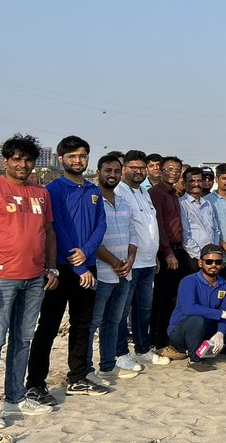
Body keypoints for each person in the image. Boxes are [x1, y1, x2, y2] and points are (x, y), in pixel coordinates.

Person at [0, 134, 58, 430]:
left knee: (23, 339)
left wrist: (52, 268)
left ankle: (15, 396)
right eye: (16, 159)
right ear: (5, 161)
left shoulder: (41, 193)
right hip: (0, 278)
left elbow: (48, 233)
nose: (22, 164)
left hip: (34, 278)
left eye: (28, 159)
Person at [26, 136, 108, 403]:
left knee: (82, 325)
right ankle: (36, 383)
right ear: (61, 159)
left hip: (88, 267)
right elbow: (56, 229)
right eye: (72, 156)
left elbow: (100, 227)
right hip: (60, 269)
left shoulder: (93, 191)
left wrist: (87, 254)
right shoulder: (53, 190)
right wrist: (79, 261)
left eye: (82, 156)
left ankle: (78, 377)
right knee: (48, 326)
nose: (78, 161)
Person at [88, 154, 142, 382]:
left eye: (116, 171)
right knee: (93, 323)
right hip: (101, 272)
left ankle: (108, 365)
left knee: (114, 320)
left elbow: (132, 234)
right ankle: (86, 371)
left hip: (124, 272)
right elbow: (90, 239)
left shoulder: (124, 203)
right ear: (99, 172)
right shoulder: (90, 201)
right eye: (107, 171)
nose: (112, 175)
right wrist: (114, 262)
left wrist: (129, 260)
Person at [115, 151, 169, 367]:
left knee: (143, 308)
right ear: (124, 168)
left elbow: (149, 227)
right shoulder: (119, 192)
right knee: (122, 310)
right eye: (133, 168)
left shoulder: (144, 192)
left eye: (141, 168)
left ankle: (142, 348)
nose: (138, 172)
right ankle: (120, 353)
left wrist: (155, 255)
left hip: (147, 261)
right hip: (129, 263)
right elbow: (124, 227)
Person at [168, 245, 226, 371]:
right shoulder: (188, 281)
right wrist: (219, 314)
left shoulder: (224, 285)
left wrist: (220, 333)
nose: (213, 265)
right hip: (182, 330)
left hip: (208, 330)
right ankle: (194, 359)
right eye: (209, 261)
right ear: (200, 263)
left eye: (218, 262)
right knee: (197, 320)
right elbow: (190, 309)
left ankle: (205, 349)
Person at [149, 155, 190, 354]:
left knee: (173, 297)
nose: (173, 173)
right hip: (167, 251)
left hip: (178, 249)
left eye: (177, 170)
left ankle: (164, 338)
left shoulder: (174, 194)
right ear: (161, 170)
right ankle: (159, 342)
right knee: (163, 299)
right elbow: (159, 226)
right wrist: (167, 253)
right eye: (169, 169)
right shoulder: (156, 193)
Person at [179, 167, 221, 265]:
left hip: (211, 257)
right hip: (193, 257)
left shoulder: (208, 204)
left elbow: (215, 230)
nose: (196, 184)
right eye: (192, 181)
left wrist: (213, 252)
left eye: (199, 180)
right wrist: (200, 256)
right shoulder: (181, 204)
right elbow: (185, 236)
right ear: (184, 184)